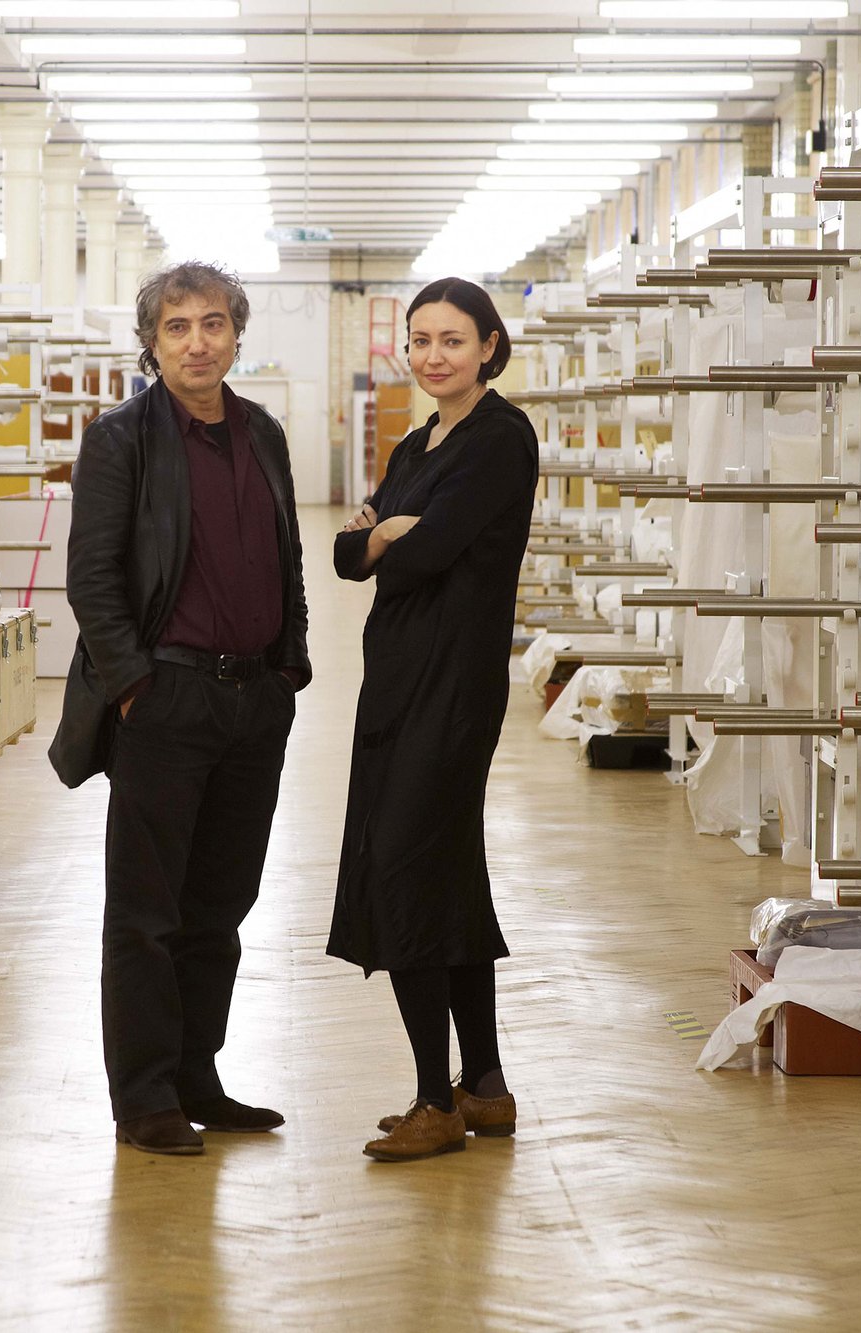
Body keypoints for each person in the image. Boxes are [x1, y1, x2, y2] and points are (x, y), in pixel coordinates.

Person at [50, 260, 312, 1156]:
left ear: (237, 332)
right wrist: (135, 687)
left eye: (212, 323)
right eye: (177, 326)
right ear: (152, 342)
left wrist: (290, 671)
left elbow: (289, 555)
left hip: (253, 702)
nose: (197, 341)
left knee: (220, 907)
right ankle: (146, 1095)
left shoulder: (264, 433)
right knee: (147, 912)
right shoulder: (121, 438)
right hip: (166, 697)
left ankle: (200, 1074)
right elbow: (91, 577)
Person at [328, 276, 539, 1163]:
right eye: (419, 340)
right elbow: (350, 555)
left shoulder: (499, 437)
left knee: (408, 867)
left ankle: (431, 1100)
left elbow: (433, 549)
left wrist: (388, 540)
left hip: (451, 684)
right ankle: (483, 1085)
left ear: (489, 344)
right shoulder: (419, 442)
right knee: (448, 873)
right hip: (399, 680)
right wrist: (380, 535)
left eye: (452, 339)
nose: (432, 355)